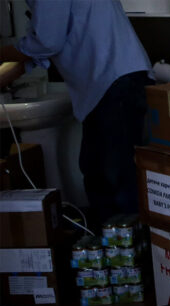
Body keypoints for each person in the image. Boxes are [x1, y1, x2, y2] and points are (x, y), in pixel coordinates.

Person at [0, 0, 152, 227]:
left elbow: (47, 42)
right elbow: (41, 47)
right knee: (100, 172)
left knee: (113, 179)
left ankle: (124, 253)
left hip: (113, 81)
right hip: (116, 80)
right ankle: (112, 248)